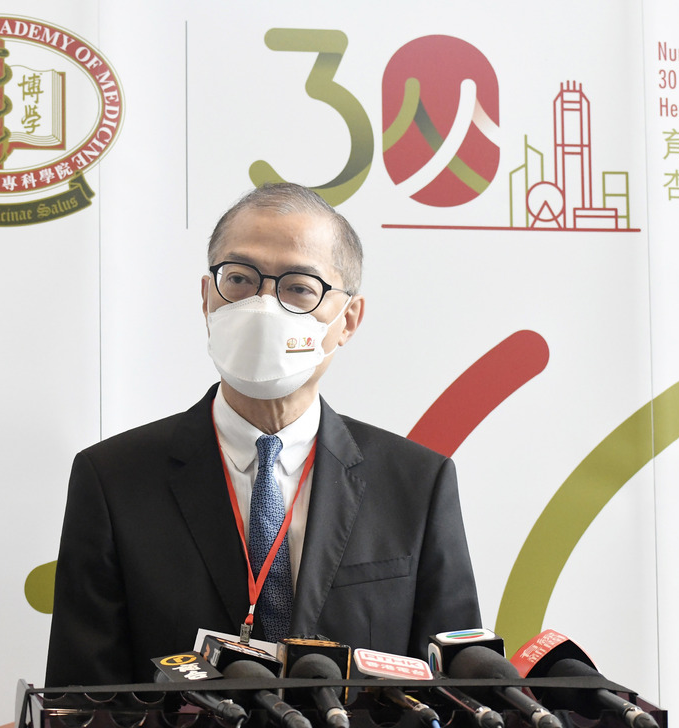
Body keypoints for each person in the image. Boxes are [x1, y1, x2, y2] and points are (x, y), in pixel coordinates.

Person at [45, 182, 481, 685]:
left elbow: (461, 689)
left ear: (348, 320)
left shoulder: (417, 482)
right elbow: (83, 698)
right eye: (240, 278)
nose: (263, 305)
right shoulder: (113, 479)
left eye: (298, 287)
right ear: (207, 297)